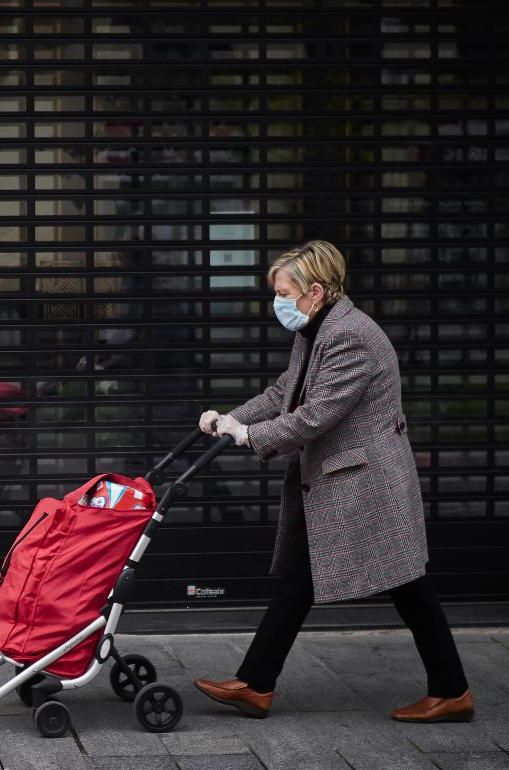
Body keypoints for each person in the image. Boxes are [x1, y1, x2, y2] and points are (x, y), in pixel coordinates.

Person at [192, 240, 472, 723]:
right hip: (345, 480)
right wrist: (230, 419)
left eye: (283, 292)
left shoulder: (350, 337)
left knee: (408, 587)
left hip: (367, 483)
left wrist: (248, 435)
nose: (277, 302)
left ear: (315, 291)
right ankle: (256, 682)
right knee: (305, 580)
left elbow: (315, 416)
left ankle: (452, 692)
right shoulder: (316, 329)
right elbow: (285, 392)